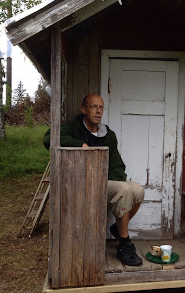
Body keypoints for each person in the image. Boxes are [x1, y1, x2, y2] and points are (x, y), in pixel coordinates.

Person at [43, 94, 144, 266]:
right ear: (84, 109)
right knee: (124, 190)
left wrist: (118, 181)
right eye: (93, 107)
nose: (98, 111)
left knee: (137, 190)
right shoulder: (74, 128)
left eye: (101, 107)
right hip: (83, 184)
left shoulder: (108, 134)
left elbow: (116, 164)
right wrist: (78, 144)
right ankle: (124, 244)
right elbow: (48, 139)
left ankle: (117, 229)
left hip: (105, 182)